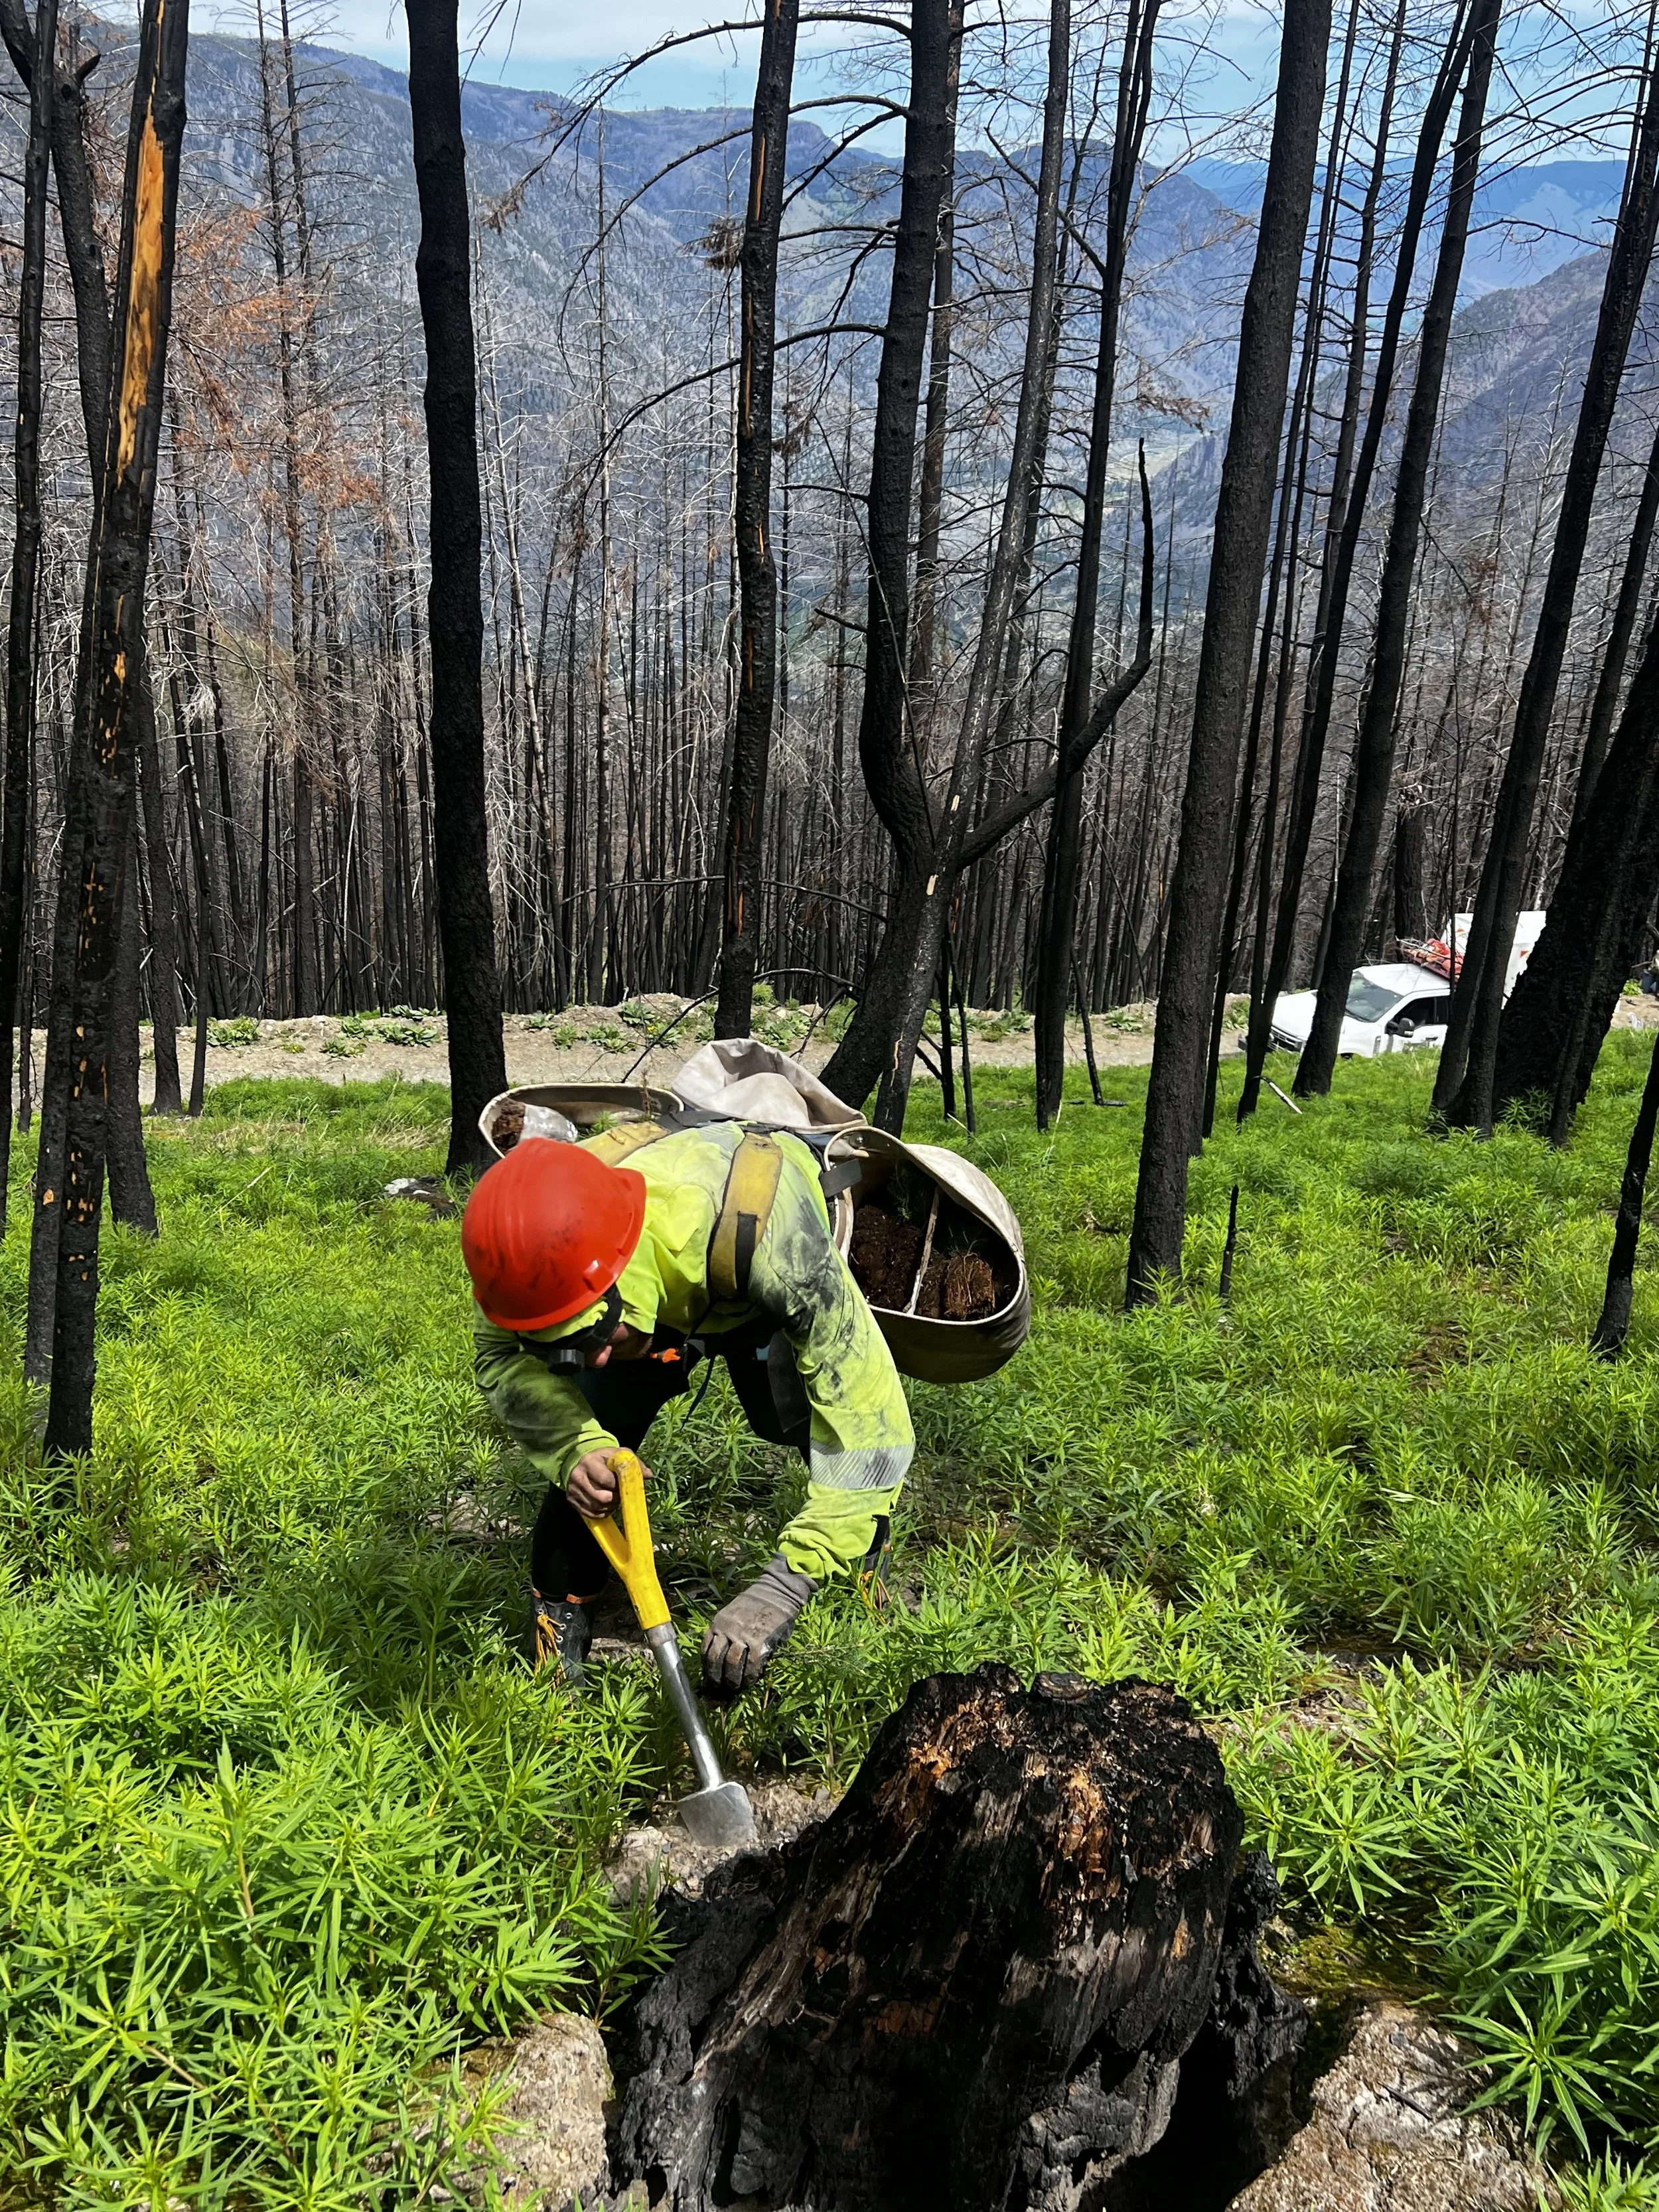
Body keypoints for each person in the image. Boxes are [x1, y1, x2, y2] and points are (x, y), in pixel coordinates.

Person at [463, 1120, 912, 1693]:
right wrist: (576, 1448)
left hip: (746, 1268)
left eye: (597, 1335)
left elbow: (871, 1426)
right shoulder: (529, 1268)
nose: (592, 1360)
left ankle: (861, 1578)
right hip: (663, 1296)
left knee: (800, 1423)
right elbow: (501, 1360)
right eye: (562, 1351)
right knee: (595, 1458)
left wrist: (785, 1583)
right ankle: (557, 1660)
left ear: (620, 1270)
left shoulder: (778, 1243)